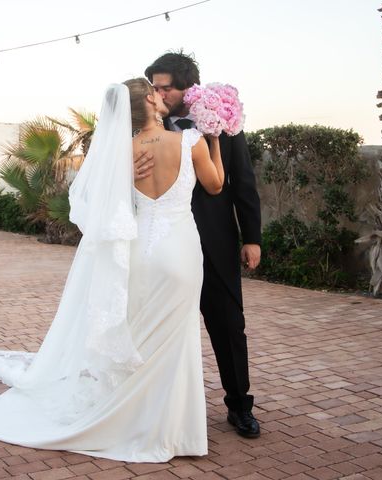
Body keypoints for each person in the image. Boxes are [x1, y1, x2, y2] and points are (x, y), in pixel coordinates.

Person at [0, 78, 224, 463]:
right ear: (151, 99)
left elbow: (95, 203)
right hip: (180, 250)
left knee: (141, 336)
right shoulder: (190, 142)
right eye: (156, 89)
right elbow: (215, 185)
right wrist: (216, 138)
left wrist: (126, 179)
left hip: (137, 253)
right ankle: (174, 431)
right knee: (175, 337)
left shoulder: (122, 154)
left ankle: (138, 419)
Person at [142, 52, 262, 438]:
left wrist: (252, 238)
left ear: (187, 88)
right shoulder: (140, 126)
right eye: (155, 87)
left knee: (228, 324)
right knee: (157, 327)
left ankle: (239, 406)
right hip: (164, 246)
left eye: (166, 87)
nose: (159, 93)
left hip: (215, 241)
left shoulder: (223, 124)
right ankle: (156, 408)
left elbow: (242, 182)